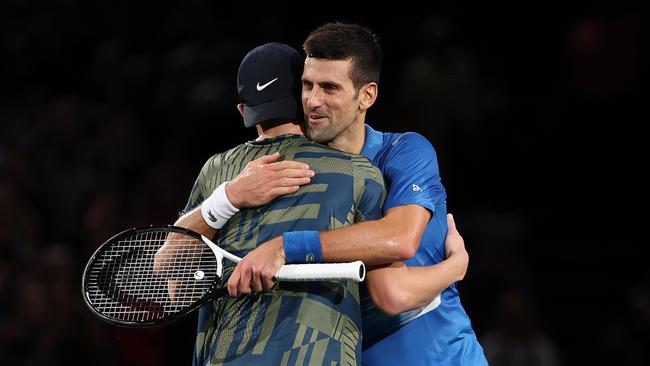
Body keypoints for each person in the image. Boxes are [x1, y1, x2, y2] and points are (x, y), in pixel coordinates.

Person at [170, 42, 469, 365]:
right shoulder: (266, 174)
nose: (313, 101)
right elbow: (176, 283)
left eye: (329, 88)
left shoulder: (399, 154)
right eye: (307, 86)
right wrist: (227, 198)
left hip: (442, 355)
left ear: (366, 96)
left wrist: (284, 246)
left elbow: (396, 263)